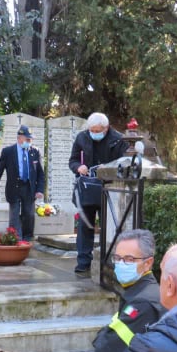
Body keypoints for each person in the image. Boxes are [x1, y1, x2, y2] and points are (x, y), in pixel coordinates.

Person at [69, 113, 128, 276]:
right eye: (91, 130)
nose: (94, 133)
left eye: (97, 130)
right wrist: (78, 167)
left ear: (106, 128)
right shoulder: (82, 137)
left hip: (108, 189)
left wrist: (109, 167)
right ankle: (83, 262)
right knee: (84, 225)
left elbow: (125, 163)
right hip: (87, 187)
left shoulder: (118, 139)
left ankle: (107, 260)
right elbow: (72, 160)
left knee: (108, 226)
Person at [0, 125, 45, 242]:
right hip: (14, 188)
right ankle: (15, 240)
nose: (30, 141)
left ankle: (27, 239)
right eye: (27, 139)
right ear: (19, 138)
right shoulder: (8, 152)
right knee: (14, 216)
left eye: (30, 139)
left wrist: (39, 190)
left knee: (29, 215)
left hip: (29, 189)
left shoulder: (35, 152)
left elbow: (40, 173)